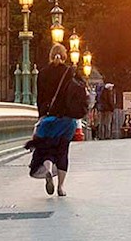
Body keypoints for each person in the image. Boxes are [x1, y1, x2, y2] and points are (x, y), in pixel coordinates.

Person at [29, 47, 90, 198]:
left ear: (50, 56)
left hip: (48, 118)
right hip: (67, 119)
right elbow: (82, 93)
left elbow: (39, 98)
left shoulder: (42, 74)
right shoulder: (70, 72)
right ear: (65, 56)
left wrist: (41, 116)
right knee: (63, 151)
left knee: (48, 150)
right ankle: (61, 187)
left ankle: (49, 170)